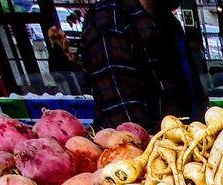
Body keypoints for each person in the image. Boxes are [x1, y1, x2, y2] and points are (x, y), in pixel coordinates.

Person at [80, 0, 207, 131]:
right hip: (145, 146)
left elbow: (193, 93)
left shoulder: (169, 22)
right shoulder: (110, 16)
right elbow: (125, 120)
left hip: (187, 138)